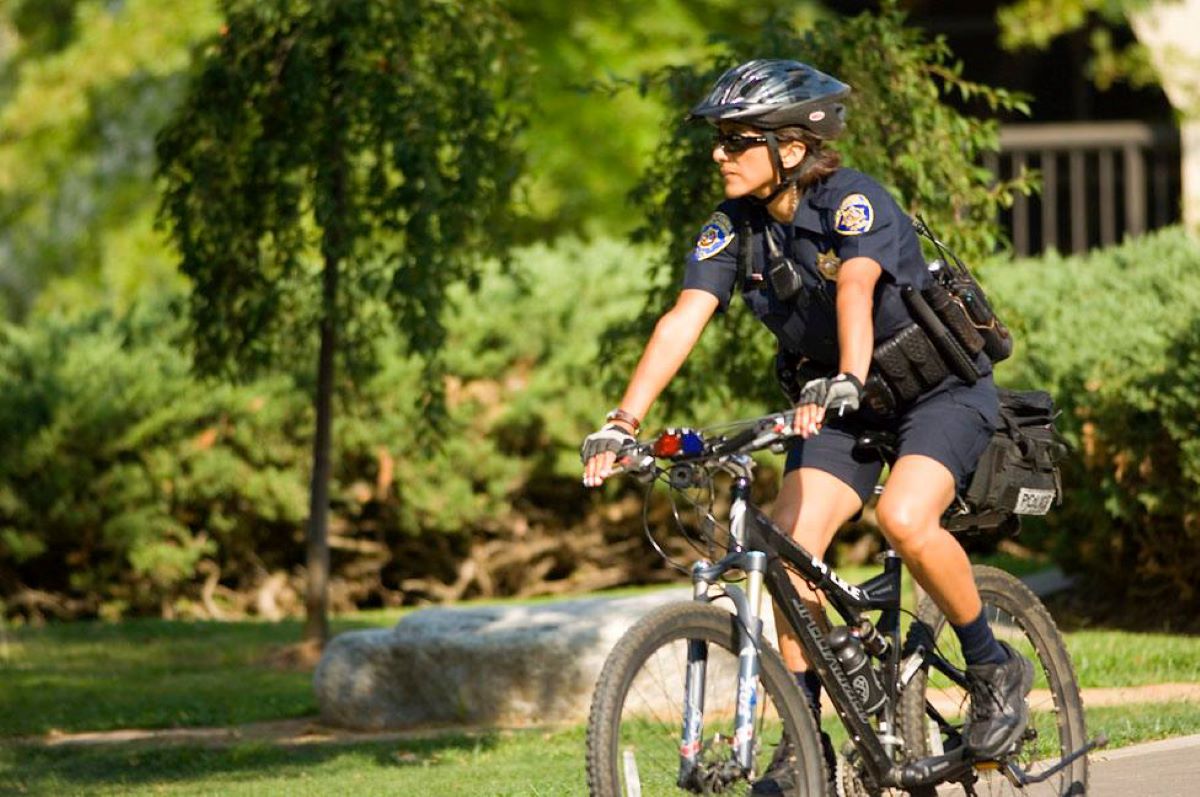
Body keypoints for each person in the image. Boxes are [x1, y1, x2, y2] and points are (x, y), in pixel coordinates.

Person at [579, 59, 1033, 792]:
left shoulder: (854, 201)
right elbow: (682, 319)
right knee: (788, 554)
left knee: (905, 517)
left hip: (935, 395)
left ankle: (992, 664)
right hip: (834, 405)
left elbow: (855, 286)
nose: (719, 153)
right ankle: (807, 740)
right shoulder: (733, 230)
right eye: (719, 140)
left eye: (736, 139)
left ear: (791, 147)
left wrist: (850, 374)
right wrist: (622, 420)